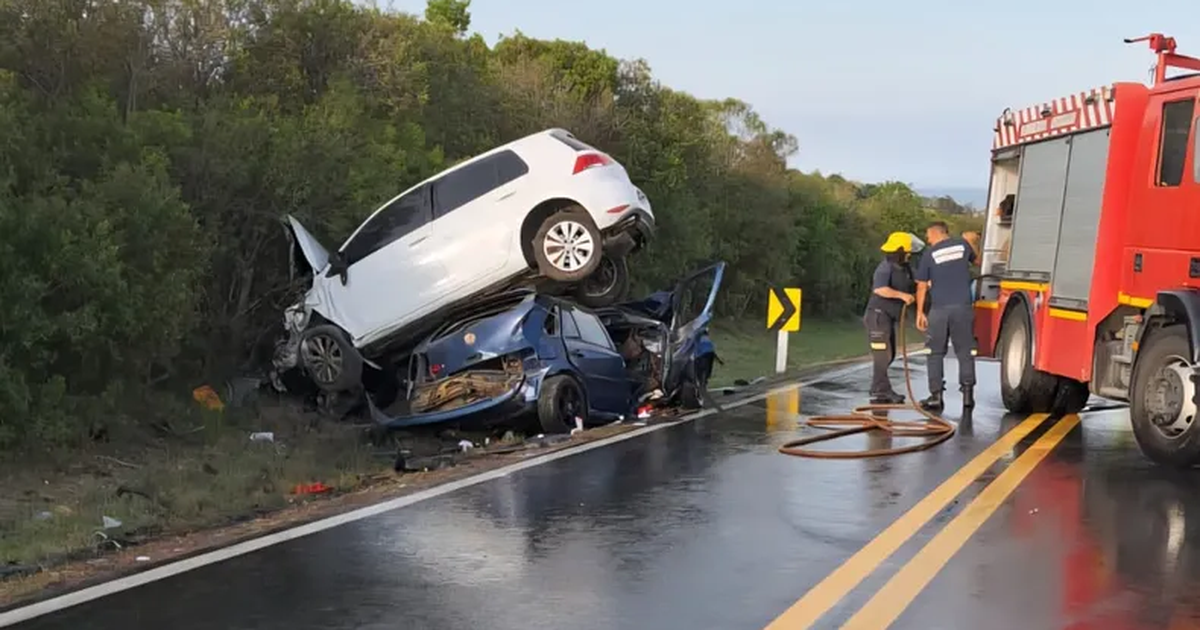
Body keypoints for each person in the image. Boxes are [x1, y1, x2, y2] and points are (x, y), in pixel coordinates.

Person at [915, 221, 981, 410]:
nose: (928, 240)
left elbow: (921, 285)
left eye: (928, 236)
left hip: (940, 309)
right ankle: (968, 395)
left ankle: (936, 396)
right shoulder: (963, 245)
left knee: (935, 352)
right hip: (963, 308)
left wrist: (920, 312)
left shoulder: (930, 254)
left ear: (936, 234)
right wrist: (972, 242)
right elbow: (978, 262)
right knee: (965, 352)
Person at [864, 231, 924, 405]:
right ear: (899, 251)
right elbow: (880, 289)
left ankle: (877, 387)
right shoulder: (885, 267)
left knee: (889, 355)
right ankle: (882, 390)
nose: (909, 254)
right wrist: (902, 296)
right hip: (877, 317)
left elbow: (919, 281)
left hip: (888, 319)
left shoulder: (905, 268)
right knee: (883, 355)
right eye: (907, 252)